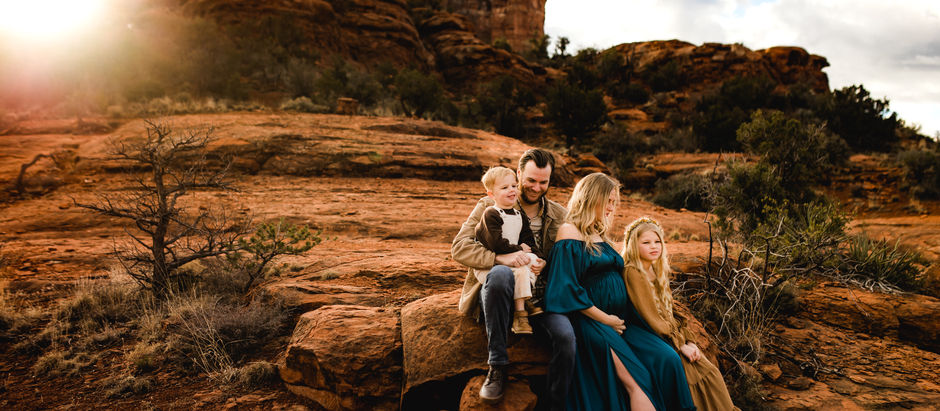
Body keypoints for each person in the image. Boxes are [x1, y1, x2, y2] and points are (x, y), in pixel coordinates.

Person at [543, 173, 696, 411]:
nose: (612, 207)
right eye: (609, 201)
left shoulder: (600, 234)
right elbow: (566, 287)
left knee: (667, 359)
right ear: (592, 197)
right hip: (592, 321)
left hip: (623, 320)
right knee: (636, 381)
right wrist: (606, 319)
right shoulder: (569, 232)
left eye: (615, 201)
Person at [452, 148, 574, 407]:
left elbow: (569, 258)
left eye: (544, 182)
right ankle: (497, 366)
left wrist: (545, 264)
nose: (536, 187)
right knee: (498, 275)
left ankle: (555, 403)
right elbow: (459, 247)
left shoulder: (561, 215)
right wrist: (499, 257)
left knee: (566, 338)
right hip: (502, 294)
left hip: (542, 297)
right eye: (530, 180)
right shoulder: (490, 206)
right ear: (519, 175)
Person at [621, 217, 737, 411]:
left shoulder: (655, 270)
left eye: (657, 241)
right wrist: (679, 343)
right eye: (646, 242)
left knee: (710, 372)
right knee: (690, 371)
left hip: (663, 331)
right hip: (645, 332)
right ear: (634, 245)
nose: (653, 247)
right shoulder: (633, 272)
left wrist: (689, 339)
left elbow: (669, 311)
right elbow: (651, 317)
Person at [473, 166, 544, 335]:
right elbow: (496, 243)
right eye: (504, 188)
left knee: (532, 260)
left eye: (513, 185)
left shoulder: (519, 215)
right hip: (493, 267)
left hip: (514, 257)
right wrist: (520, 249)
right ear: (492, 194)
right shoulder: (491, 214)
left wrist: (540, 258)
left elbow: (529, 241)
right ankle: (520, 315)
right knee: (520, 268)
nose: (511, 190)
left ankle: (523, 298)